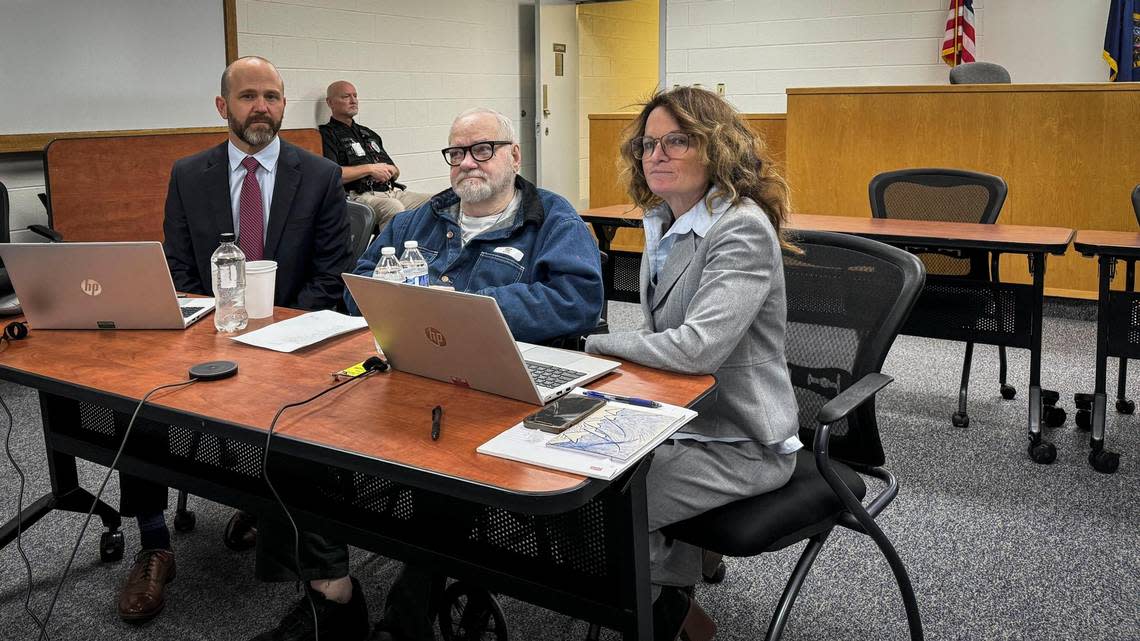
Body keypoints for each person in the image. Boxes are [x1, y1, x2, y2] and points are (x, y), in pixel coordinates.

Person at [249, 106, 604, 641]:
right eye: (456, 153)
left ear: (514, 155)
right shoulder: (419, 218)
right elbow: (355, 286)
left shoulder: (552, 219)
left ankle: (405, 619)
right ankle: (333, 592)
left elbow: (576, 301)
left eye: (481, 149)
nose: (467, 163)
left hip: (494, 389)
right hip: (401, 373)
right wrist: (402, 303)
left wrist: (465, 303)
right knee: (287, 436)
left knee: (441, 472)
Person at [116, 55, 353, 625]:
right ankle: (154, 542)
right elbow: (177, 267)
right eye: (248, 97)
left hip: (292, 341)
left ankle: (270, 515)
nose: (262, 108)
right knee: (137, 397)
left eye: (272, 96)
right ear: (223, 107)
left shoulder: (317, 174)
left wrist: (274, 336)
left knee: (297, 416)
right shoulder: (188, 173)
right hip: (205, 337)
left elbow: (330, 276)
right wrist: (208, 337)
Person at [583, 87, 801, 641]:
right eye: (648, 144)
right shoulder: (665, 218)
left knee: (610, 507)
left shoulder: (739, 227)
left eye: (676, 141)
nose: (656, 154)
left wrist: (596, 344)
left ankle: (674, 615)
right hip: (677, 419)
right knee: (572, 464)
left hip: (740, 439)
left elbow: (695, 348)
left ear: (716, 148)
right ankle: (673, 583)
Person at [320, 80, 432, 233]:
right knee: (393, 207)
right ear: (330, 102)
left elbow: (396, 171)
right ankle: (387, 256)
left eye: (355, 96)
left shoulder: (368, 134)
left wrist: (390, 170)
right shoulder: (326, 134)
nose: (353, 101)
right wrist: (370, 169)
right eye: (346, 97)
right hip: (358, 196)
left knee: (438, 201)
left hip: (390, 191)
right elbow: (332, 176)